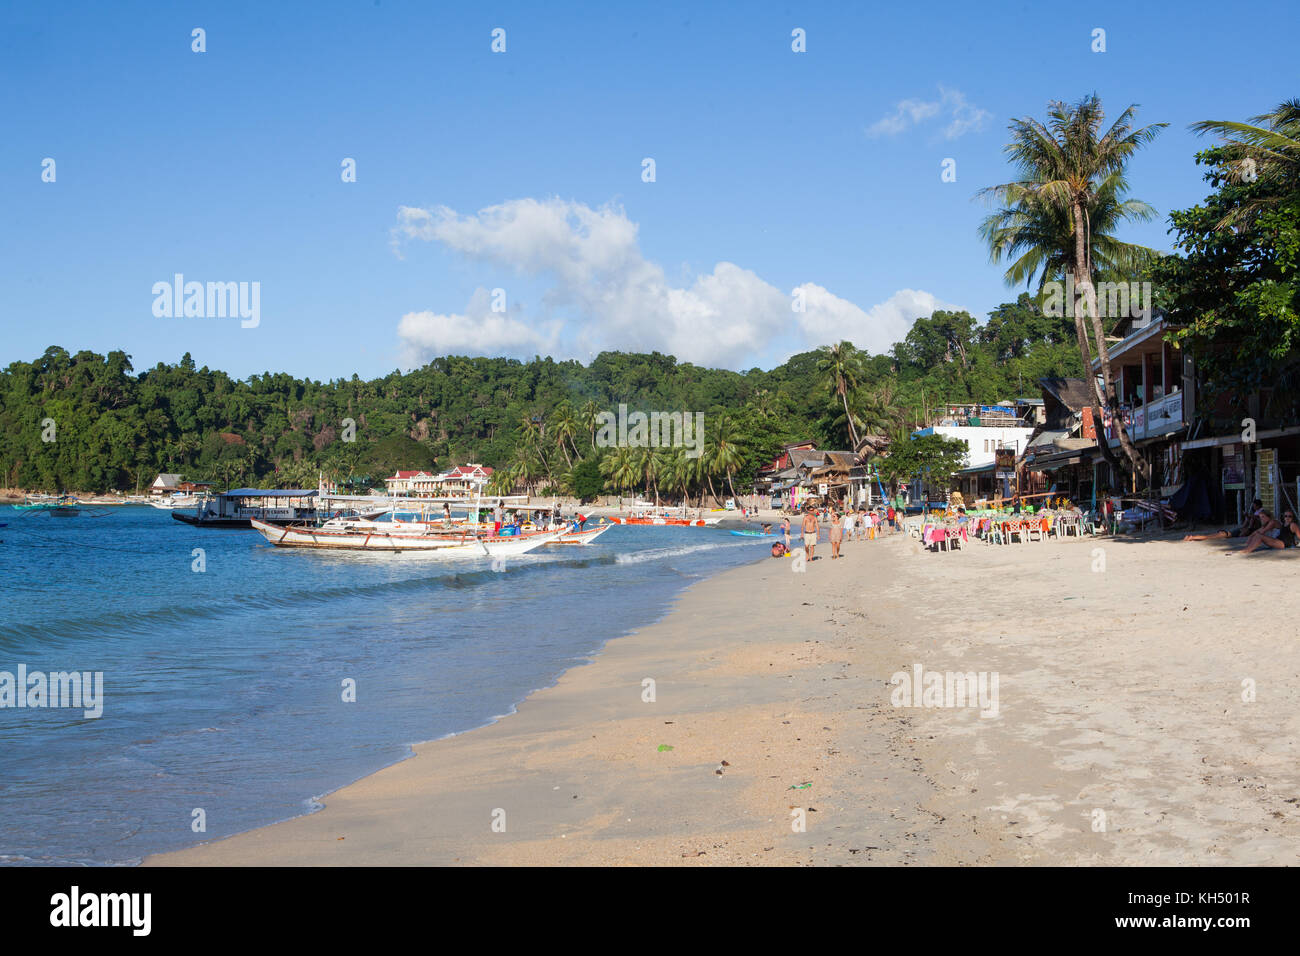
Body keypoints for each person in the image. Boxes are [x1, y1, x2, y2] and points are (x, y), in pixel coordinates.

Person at [1184, 499, 1265, 541]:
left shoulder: (1258, 515)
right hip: (1239, 530)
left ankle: (1193, 537)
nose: (1253, 507)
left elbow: (1246, 530)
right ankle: (1193, 537)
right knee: (1212, 536)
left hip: (1238, 531)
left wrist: (1248, 520)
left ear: (1257, 506)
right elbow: (1245, 526)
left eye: (1254, 506)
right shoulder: (1255, 516)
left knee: (1211, 536)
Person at [1233, 508, 1298, 555]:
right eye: (1286, 516)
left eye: (1290, 516)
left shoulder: (1293, 524)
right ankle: (1246, 549)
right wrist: (1250, 537)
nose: (1287, 517)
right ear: (1283, 517)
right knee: (1259, 535)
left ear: (1292, 518)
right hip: (1279, 541)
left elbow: (1299, 535)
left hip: (1283, 543)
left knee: (1260, 536)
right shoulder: (1284, 524)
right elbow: (1258, 531)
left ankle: (1246, 550)